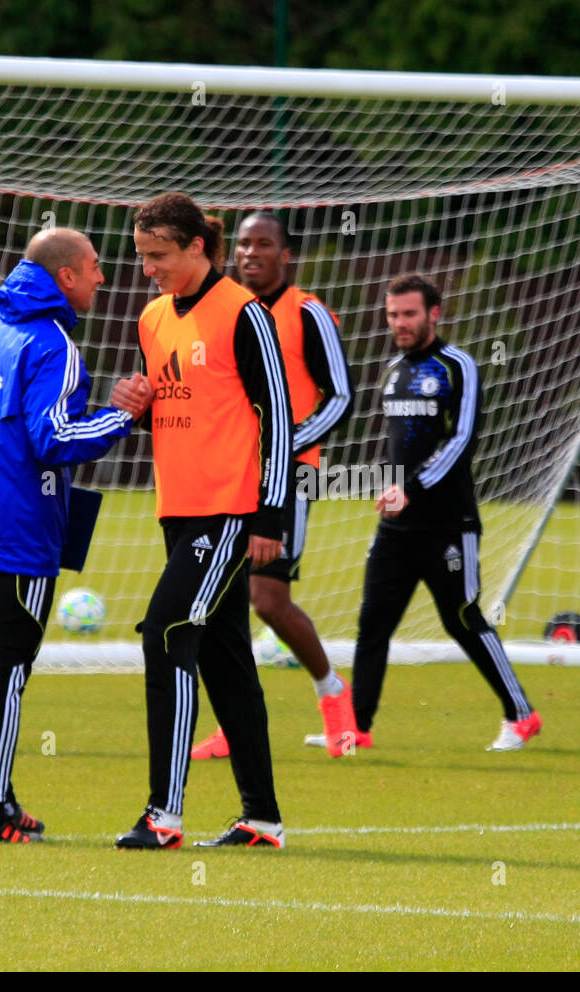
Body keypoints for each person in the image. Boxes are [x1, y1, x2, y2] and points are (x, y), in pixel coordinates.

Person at [0, 227, 136, 842]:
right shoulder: (52, 344)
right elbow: (54, 439)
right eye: (94, 266)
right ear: (65, 275)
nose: (102, 276)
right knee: (5, 674)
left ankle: (1, 802)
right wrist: (123, 414)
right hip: (15, 532)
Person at [109, 192, 292, 849]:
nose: (148, 268)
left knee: (166, 632)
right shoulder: (152, 318)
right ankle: (262, 819)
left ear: (196, 247)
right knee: (225, 658)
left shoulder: (244, 313)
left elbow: (280, 417)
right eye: (140, 257)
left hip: (231, 509)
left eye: (159, 255)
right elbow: (170, 407)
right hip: (177, 509)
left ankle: (164, 816)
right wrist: (135, 404)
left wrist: (270, 515)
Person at [344, 273, 540, 753]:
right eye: (392, 315)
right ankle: (357, 730)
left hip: (449, 526)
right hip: (396, 527)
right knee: (374, 623)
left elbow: (463, 439)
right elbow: (393, 446)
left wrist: (411, 487)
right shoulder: (392, 371)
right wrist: (389, 487)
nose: (399, 323)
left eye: (409, 314)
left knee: (462, 616)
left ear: (434, 313)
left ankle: (521, 715)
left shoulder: (459, 366)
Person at [189, 211, 355, 762]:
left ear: (287, 255)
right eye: (242, 244)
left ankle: (335, 698)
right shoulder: (228, 312)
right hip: (227, 477)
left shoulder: (307, 313)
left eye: (264, 244)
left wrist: (284, 443)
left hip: (288, 477)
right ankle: (236, 726)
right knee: (223, 603)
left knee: (267, 598)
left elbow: (341, 397)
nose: (251, 253)